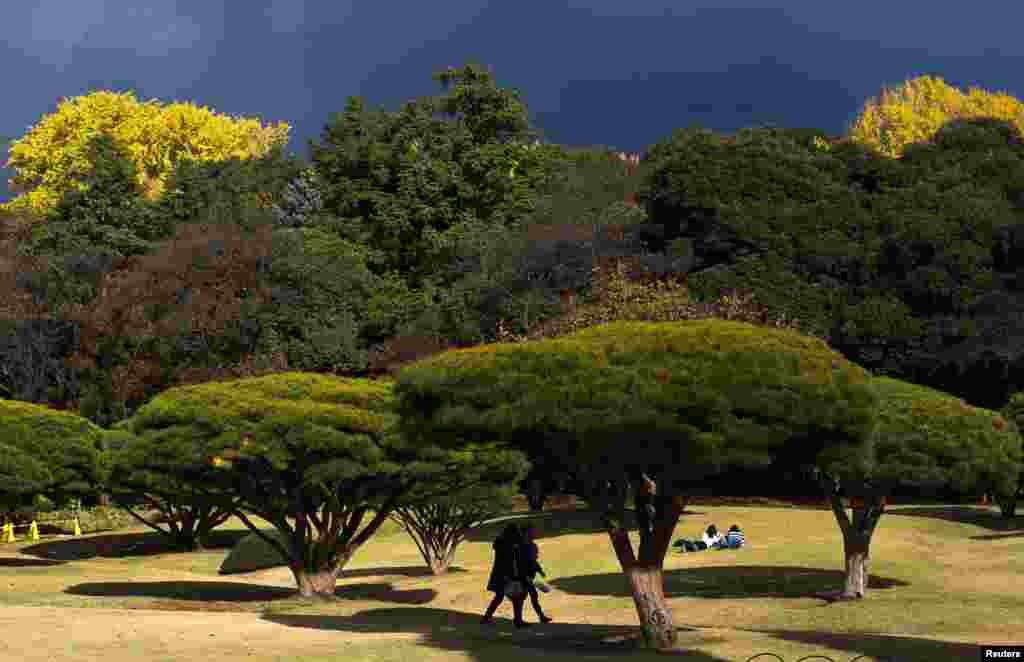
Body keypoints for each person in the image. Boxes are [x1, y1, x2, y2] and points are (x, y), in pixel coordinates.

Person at [481, 524, 531, 627]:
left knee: (505, 597)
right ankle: (517, 620)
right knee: (516, 598)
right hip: (507, 576)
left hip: (504, 575)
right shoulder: (506, 546)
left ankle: (486, 618)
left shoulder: (505, 544)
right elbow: (507, 562)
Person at [519, 524, 552, 623]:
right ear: (524, 533)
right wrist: (525, 576)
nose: (533, 533)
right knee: (523, 598)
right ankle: (520, 619)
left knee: (531, 597)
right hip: (523, 576)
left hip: (530, 575)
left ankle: (540, 617)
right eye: (531, 531)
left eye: (533, 531)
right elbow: (519, 562)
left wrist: (540, 571)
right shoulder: (520, 546)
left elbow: (533, 561)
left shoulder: (532, 545)